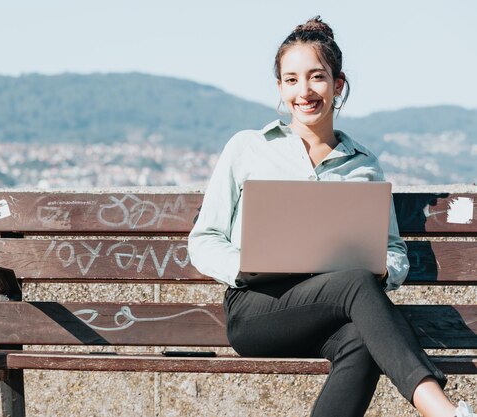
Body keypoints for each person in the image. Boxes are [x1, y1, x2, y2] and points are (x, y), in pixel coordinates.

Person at [187, 16, 475, 417]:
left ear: (338, 85)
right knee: (354, 285)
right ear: (280, 88)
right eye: (291, 80)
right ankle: (443, 412)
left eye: (316, 78)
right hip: (258, 310)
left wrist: (381, 272)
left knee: (362, 339)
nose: (303, 91)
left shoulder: (363, 165)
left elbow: (393, 251)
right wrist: (247, 266)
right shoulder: (247, 148)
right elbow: (204, 239)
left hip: (334, 311)